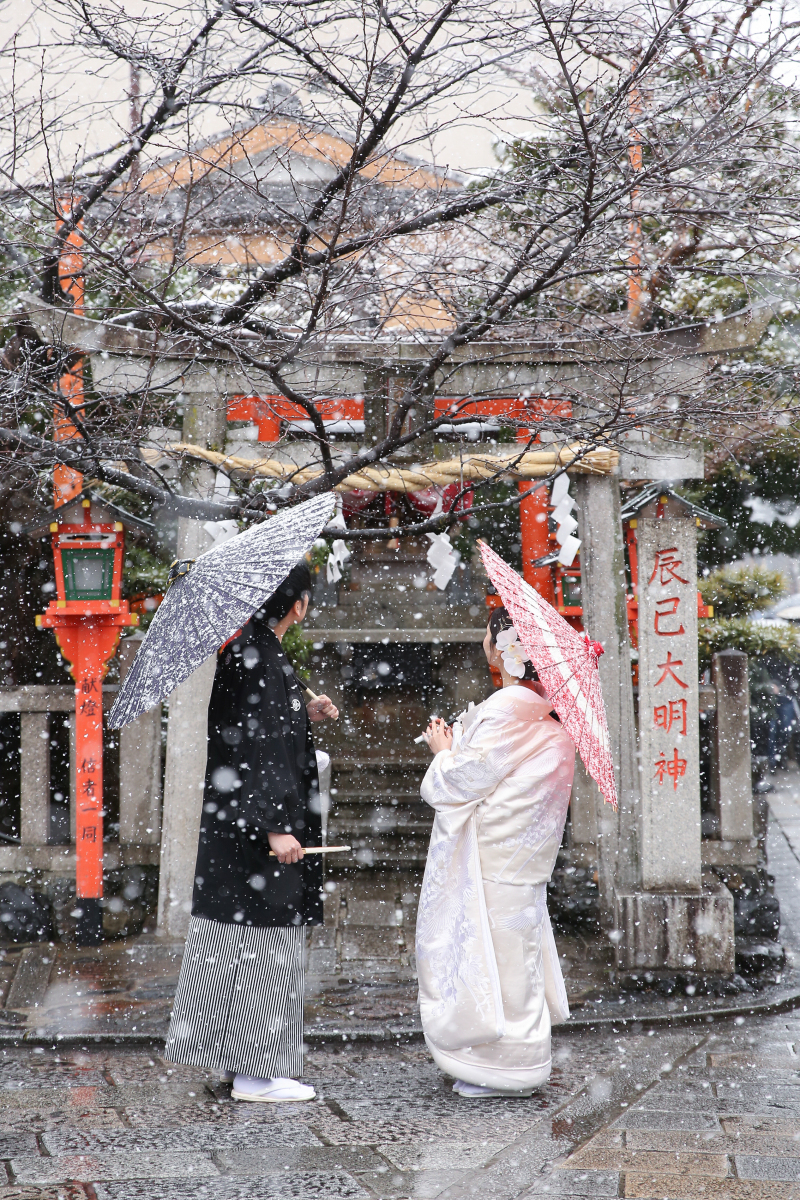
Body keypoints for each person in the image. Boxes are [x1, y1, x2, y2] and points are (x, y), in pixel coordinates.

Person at [164, 560, 338, 1103]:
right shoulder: (260, 655)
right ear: (299, 604)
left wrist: (304, 708)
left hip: (235, 827)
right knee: (264, 946)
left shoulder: (253, 648)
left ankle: (235, 1060)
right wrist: (277, 828)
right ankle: (257, 1074)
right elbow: (260, 750)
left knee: (232, 942)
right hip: (256, 832)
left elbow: (258, 731)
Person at [416, 605, 575, 1098]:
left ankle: (507, 1068)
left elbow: (459, 783)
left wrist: (444, 751)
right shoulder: (542, 708)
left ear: (505, 649)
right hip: (524, 855)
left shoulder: (508, 707)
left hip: (496, 854)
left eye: (491, 634)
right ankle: (522, 1057)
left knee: (495, 958)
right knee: (516, 953)